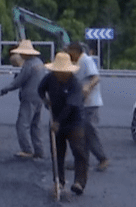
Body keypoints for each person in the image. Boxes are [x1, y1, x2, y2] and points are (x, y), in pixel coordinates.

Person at [37, 51, 89, 195]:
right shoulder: (50, 78)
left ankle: (79, 182)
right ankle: (59, 181)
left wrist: (58, 122)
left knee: (79, 151)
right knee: (57, 153)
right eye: (57, 71)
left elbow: (70, 106)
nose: (60, 74)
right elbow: (40, 89)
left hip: (74, 121)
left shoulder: (75, 84)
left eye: (62, 71)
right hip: (55, 118)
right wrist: (45, 100)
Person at [0, 39, 47, 159]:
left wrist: (6, 88)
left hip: (29, 97)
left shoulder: (29, 64)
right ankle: (39, 149)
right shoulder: (40, 63)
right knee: (35, 125)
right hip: (39, 97)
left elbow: (19, 81)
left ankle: (27, 150)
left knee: (22, 124)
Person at [67, 41, 110, 171]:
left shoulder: (86, 60)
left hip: (90, 103)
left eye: (70, 53)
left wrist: (88, 87)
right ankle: (81, 161)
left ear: (75, 51)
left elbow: (96, 78)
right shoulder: (78, 63)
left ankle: (102, 158)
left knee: (89, 131)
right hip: (83, 103)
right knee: (82, 133)